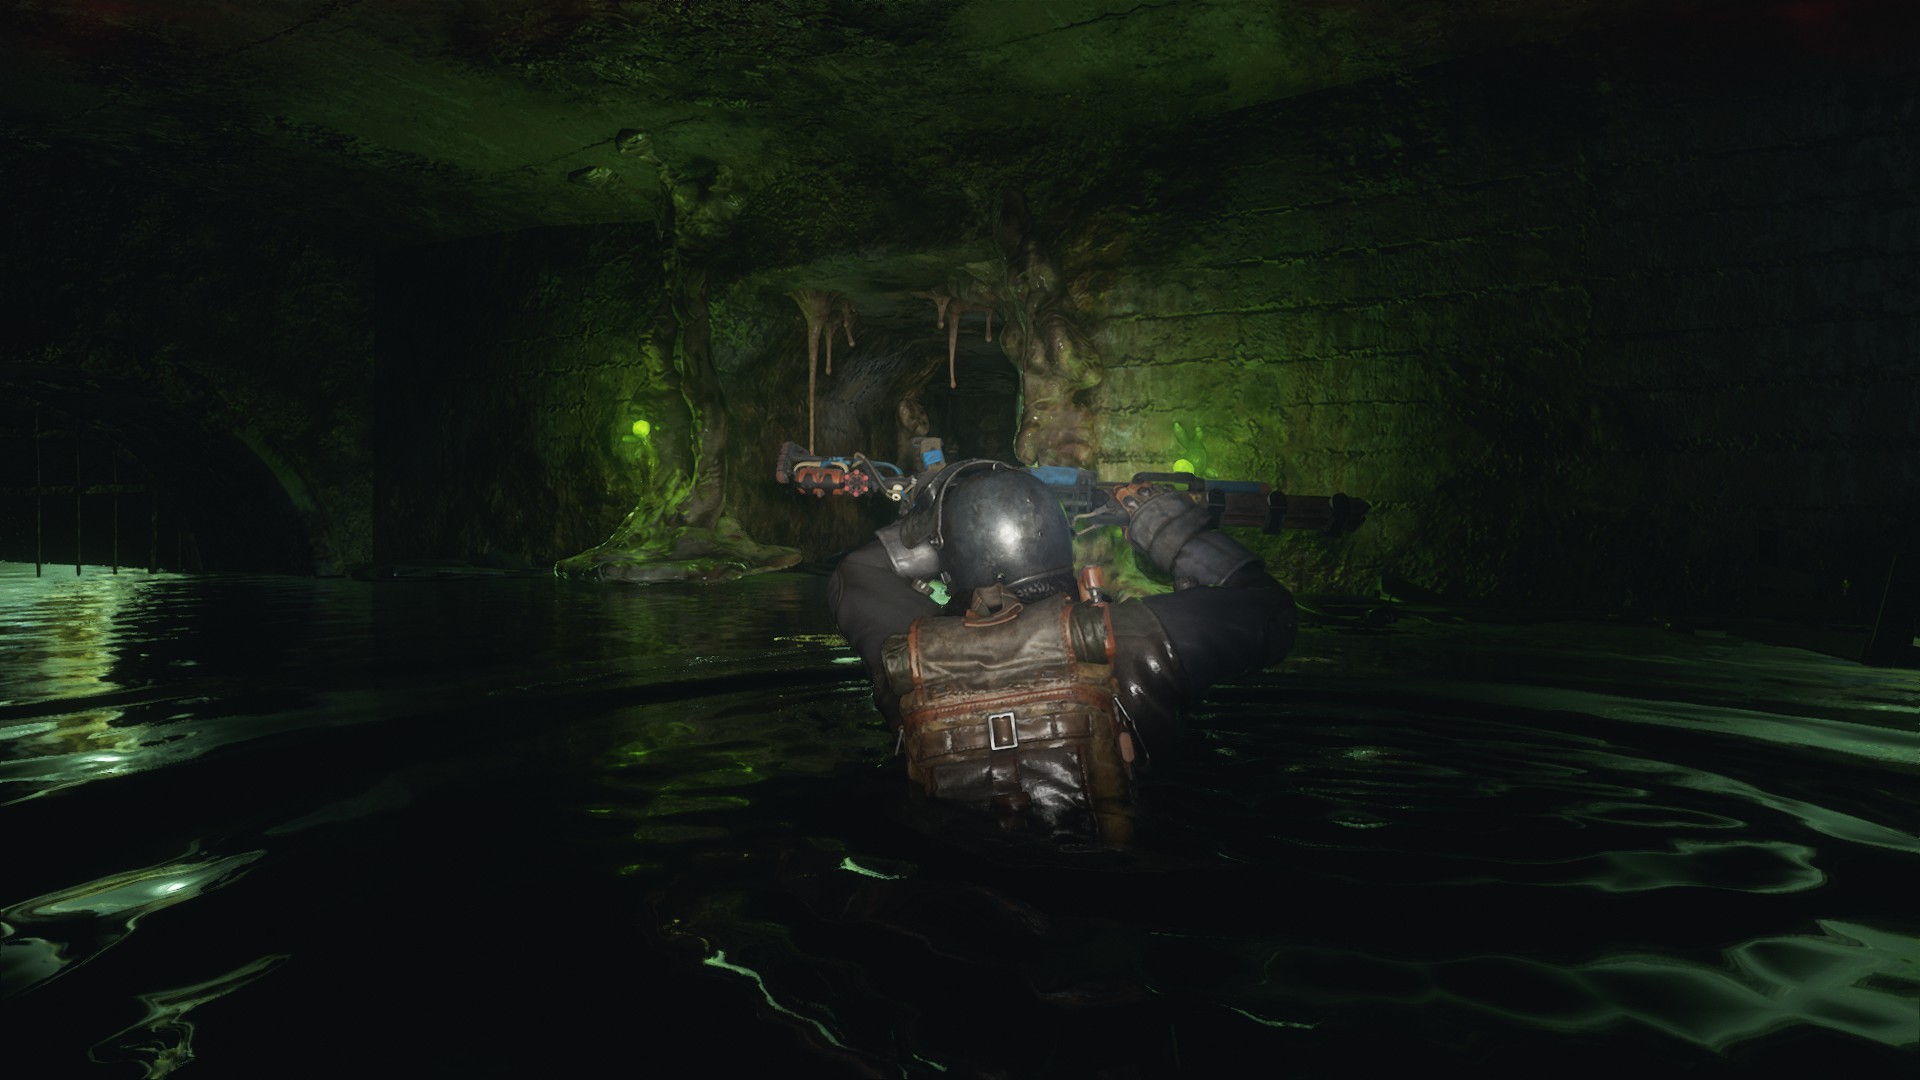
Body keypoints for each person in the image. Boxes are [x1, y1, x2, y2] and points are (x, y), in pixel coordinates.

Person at [828, 459, 1296, 844]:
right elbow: (1274, 612)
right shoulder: (1136, 636)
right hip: (1117, 878)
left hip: (959, 887)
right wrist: (1170, 531)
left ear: (948, 567)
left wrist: (937, 523)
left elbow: (856, 572)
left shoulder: (910, 658)